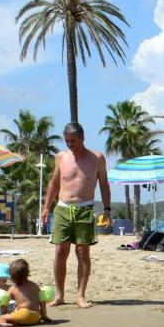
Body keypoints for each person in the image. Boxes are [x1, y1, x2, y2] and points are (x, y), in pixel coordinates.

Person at [40, 122, 111, 308]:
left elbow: (104, 184)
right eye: (67, 141)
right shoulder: (61, 157)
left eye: (73, 140)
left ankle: (80, 296)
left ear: (82, 138)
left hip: (85, 208)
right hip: (63, 208)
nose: (70, 144)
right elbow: (54, 183)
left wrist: (107, 209)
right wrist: (46, 207)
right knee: (60, 251)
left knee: (82, 252)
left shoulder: (97, 158)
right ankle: (59, 295)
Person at [0, 259, 51, 327]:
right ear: (27, 273)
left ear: (11, 276)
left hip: (23, 314)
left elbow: (4, 304)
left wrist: (4, 314)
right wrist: (44, 315)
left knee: (1, 318)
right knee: (18, 317)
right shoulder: (35, 286)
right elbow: (42, 301)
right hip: (36, 317)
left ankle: (4, 324)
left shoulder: (13, 288)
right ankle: (14, 323)